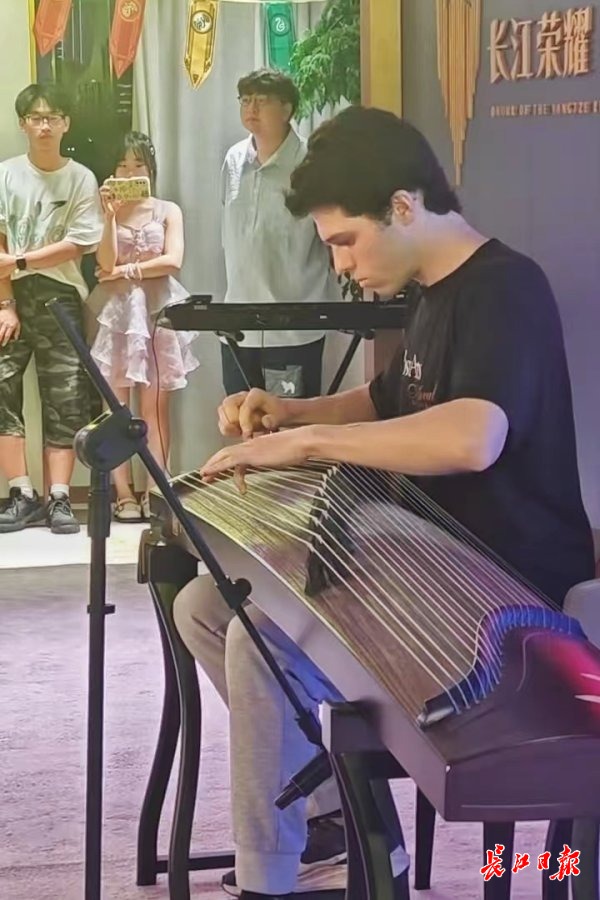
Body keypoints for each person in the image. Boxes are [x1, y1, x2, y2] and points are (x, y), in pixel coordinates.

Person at [174, 106, 595, 900]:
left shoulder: (505, 287)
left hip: (503, 599)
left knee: (265, 637)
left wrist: (307, 445)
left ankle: (270, 876)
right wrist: (289, 414)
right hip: (424, 573)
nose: (341, 265)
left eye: (345, 241)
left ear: (403, 206)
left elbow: (472, 435)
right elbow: (386, 400)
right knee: (204, 604)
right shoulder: (429, 294)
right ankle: (340, 824)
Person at [0, 83, 103, 535]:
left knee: (65, 394)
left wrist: (22, 261)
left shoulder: (81, 177)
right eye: (36, 117)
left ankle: (59, 497)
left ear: (66, 124)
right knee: (2, 387)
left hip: (60, 294)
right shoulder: (5, 175)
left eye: (53, 117)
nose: (44, 125)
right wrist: (5, 303)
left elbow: (79, 243)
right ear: (23, 124)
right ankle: (22, 494)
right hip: (10, 296)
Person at [86, 131, 199, 521]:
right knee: (116, 408)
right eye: (123, 165)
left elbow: (173, 261)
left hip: (158, 313)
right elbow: (103, 263)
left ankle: (157, 489)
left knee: (156, 406)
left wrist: (126, 271)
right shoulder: (107, 210)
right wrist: (109, 216)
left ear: (151, 169)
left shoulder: (168, 209)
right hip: (118, 317)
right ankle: (123, 493)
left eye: (138, 165)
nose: (131, 172)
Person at [220, 68, 338, 400]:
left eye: (261, 100)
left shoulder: (310, 164)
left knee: (288, 421)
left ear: (286, 109)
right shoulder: (233, 160)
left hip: (293, 329)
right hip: (238, 325)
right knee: (240, 419)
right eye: (245, 100)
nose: (251, 109)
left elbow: (330, 236)